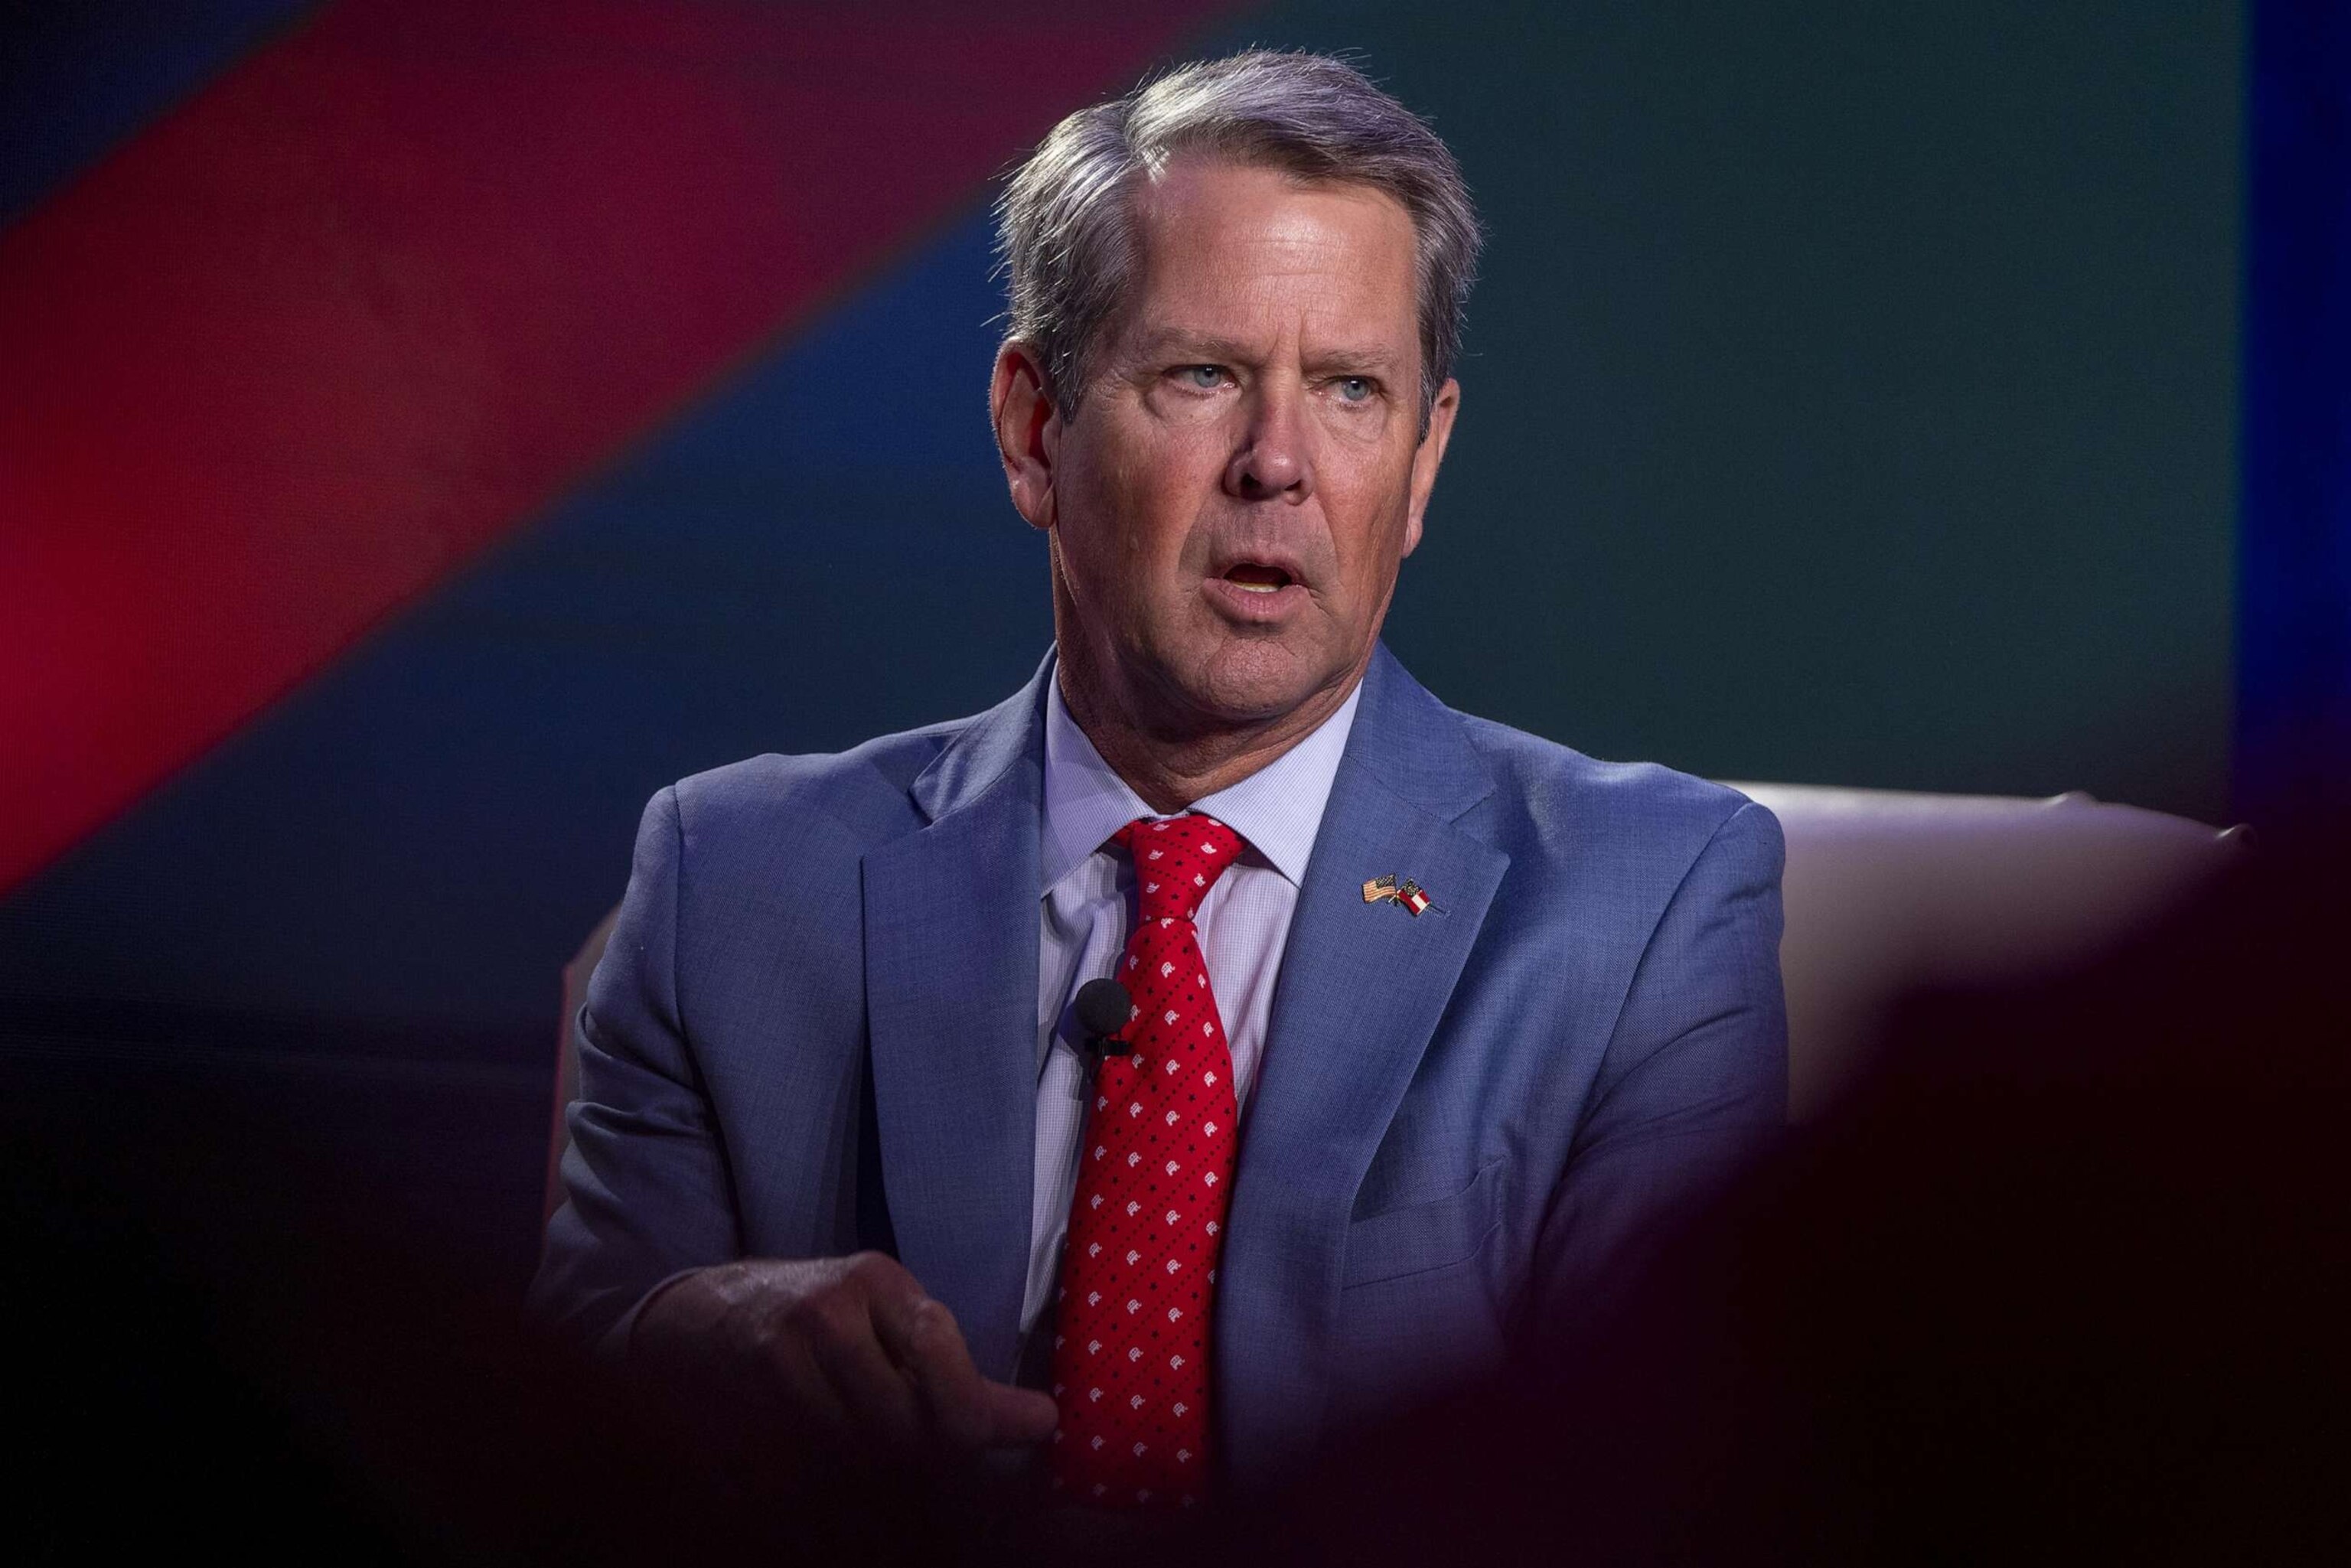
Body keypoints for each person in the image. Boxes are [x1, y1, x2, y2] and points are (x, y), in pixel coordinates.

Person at [528, 51, 1786, 1514]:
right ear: (1033, 429)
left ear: (1426, 460)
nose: (1279, 464)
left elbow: (1661, 1489)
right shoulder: (730, 884)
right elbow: (558, 1442)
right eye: (1203, 374)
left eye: (1350, 390)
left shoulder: (1648, 914)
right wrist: (687, 1347)